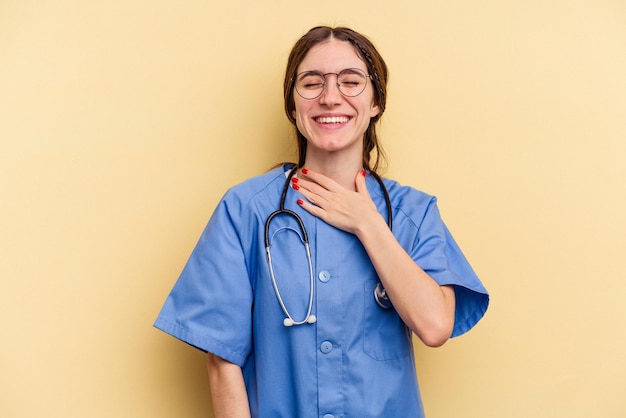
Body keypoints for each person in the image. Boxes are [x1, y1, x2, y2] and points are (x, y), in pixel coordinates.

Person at [154, 26, 489, 418]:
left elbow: (435, 326)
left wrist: (368, 223)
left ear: (376, 102)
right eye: (311, 83)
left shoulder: (412, 213)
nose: (331, 98)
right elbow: (222, 360)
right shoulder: (245, 209)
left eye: (350, 81)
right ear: (293, 106)